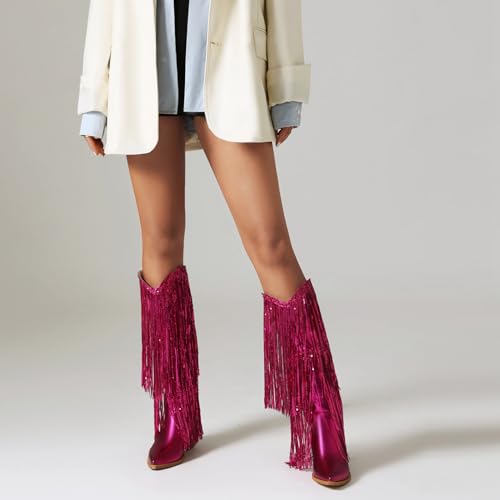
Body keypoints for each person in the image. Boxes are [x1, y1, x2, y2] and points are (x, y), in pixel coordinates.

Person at [77, 0, 350, 488]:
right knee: (159, 243)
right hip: (145, 73)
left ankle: (320, 414)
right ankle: (174, 412)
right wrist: (95, 98)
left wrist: (286, 88)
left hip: (229, 72)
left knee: (270, 244)